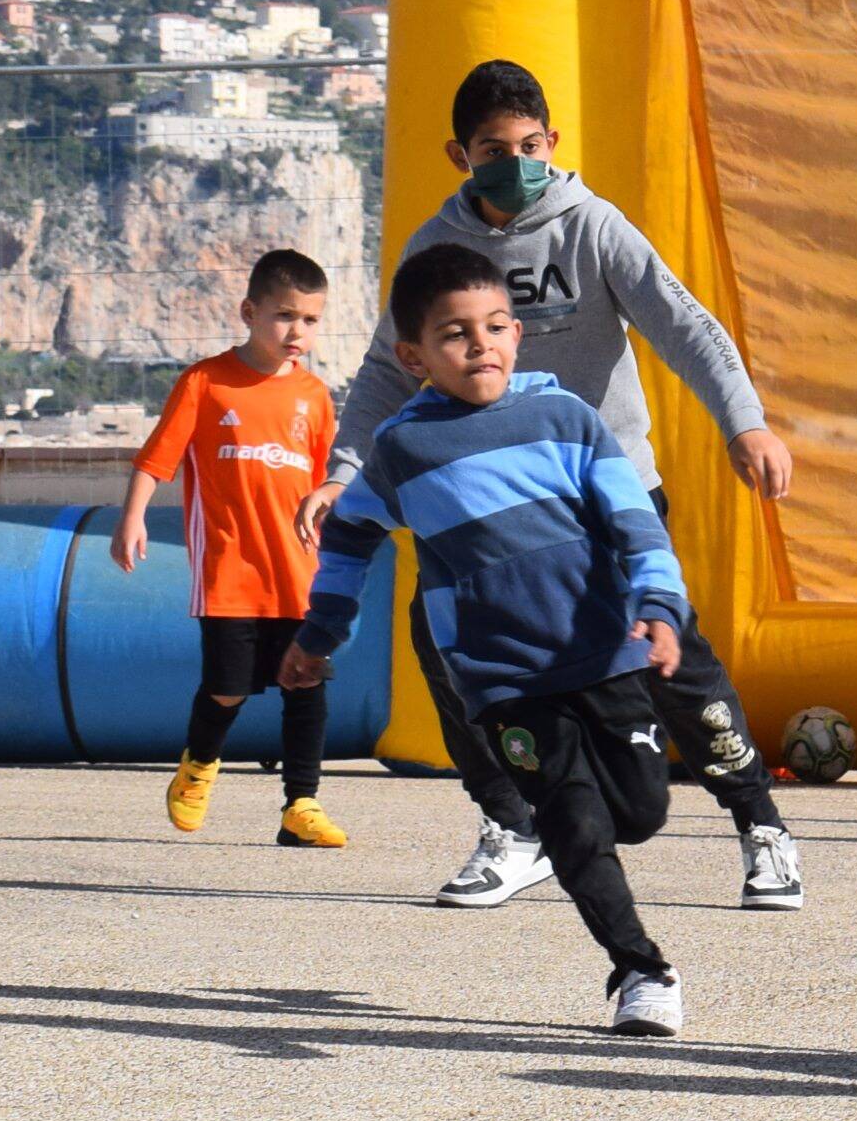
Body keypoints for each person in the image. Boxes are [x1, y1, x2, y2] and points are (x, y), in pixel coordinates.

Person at [319, 61, 805, 917]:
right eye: (493, 150)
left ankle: (759, 825)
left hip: (601, 496)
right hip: (480, 511)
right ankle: (515, 830)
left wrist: (746, 422)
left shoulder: (593, 228)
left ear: (552, 142)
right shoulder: (435, 251)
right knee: (448, 653)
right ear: (460, 156)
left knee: (670, 662)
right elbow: (384, 374)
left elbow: (686, 326)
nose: (516, 163)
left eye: (529, 146)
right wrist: (343, 473)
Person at [297, 241, 698, 1034]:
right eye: (455, 334)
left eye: (495, 326)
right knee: (574, 825)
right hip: (505, 680)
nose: (480, 345)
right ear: (414, 356)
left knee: (641, 811)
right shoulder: (403, 450)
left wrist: (659, 600)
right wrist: (321, 632)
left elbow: (634, 521)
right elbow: (348, 537)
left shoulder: (567, 419)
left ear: (518, 333)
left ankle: (582, 831)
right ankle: (641, 971)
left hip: (605, 651)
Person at [117, 248, 348, 849]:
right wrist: (132, 517)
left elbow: (327, 480)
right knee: (228, 688)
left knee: (306, 683)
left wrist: (337, 532)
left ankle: (301, 805)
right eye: (285, 315)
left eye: (311, 320)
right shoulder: (206, 381)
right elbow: (157, 459)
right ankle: (198, 767)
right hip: (229, 571)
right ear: (250, 312)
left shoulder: (314, 395)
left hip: (300, 572)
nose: (297, 331)